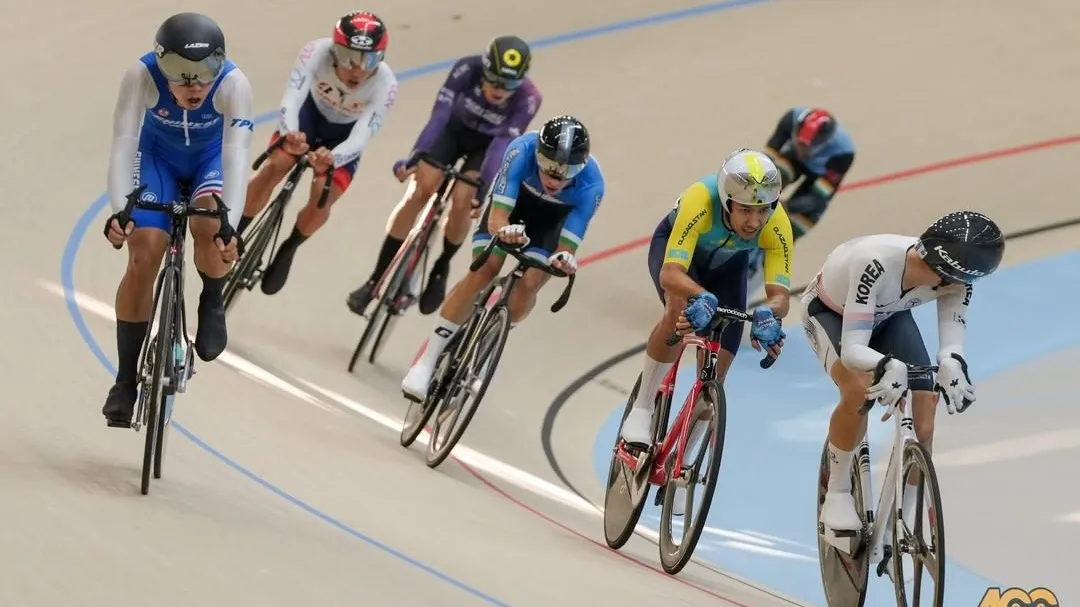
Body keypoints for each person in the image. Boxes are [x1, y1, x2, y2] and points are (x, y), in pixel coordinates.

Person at [803, 211, 1004, 534]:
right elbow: (854, 350)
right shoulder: (874, 263)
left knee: (925, 411)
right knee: (858, 389)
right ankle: (837, 492)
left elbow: (951, 346)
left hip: (889, 316)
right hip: (831, 313)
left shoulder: (956, 279)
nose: (965, 287)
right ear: (944, 272)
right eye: (963, 280)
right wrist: (887, 365)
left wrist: (952, 363)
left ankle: (897, 527)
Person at [100, 12, 252, 426]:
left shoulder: (234, 84)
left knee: (211, 226)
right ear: (161, 65)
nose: (194, 86)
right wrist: (120, 210)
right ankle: (125, 380)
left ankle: (212, 297)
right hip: (156, 159)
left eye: (204, 76)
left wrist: (229, 224)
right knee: (143, 253)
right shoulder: (140, 76)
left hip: (210, 161)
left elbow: (236, 156)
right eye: (182, 77)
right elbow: (123, 143)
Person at [400, 115, 603, 400]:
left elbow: (565, 248)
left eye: (565, 171)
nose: (554, 178)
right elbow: (498, 217)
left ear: (580, 167)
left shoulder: (593, 185)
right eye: (548, 166)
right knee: (484, 270)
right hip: (513, 207)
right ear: (538, 154)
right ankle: (426, 362)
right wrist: (505, 231)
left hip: (551, 224)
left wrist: (564, 260)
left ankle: (492, 341)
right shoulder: (521, 150)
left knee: (531, 282)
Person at [346, 35, 543, 317]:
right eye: (494, 80)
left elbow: (502, 145)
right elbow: (439, 116)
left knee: (464, 199)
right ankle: (375, 280)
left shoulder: (528, 98)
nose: (500, 90)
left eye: (509, 84)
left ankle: (442, 265)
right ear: (484, 69)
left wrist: (483, 188)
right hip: (453, 133)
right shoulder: (466, 69)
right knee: (420, 190)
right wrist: (417, 154)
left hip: (485, 148)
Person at [618, 149, 793, 448]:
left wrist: (768, 312)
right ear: (726, 202)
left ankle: (684, 458)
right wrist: (701, 295)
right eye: (745, 210)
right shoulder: (700, 198)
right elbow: (670, 274)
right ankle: (642, 408)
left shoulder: (777, 224)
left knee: (718, 371)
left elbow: (781, 297)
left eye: (763, 210)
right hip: (681, 263)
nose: (754, 222)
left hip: (728, 269)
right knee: (677, 311)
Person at [238, 11, 399, 295]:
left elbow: (361, 137)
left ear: (381, 58)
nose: (357, 70)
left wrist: (333, 159)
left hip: (343, 138)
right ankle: (236, 230)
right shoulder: (315, 52)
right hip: (308, 119)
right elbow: (291, 99)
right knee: (276, 165)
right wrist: (291, 133)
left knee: (323, 196)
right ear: (334, 50)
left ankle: (290, 246)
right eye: (348, 57)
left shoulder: (386, 85)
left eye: (369, 60)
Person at [744, 107, 856, 287]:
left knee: (794, 227)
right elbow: (766, 160)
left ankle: (761, 272)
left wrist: (785, 207)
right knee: (767, 182)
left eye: (807, 147)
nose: (803, 149)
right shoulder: (790, 118)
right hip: (793, 159)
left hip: (819, 179)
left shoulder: (844, 152)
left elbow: (817, 198)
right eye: (800, 143)